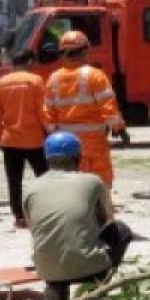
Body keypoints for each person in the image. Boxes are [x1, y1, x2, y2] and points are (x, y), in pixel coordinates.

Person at [23, 132, 133, 300]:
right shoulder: (92, 181)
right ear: (78, 157)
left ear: (47, 158)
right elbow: (106, 220)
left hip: (47, 267)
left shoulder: (31, 188)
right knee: (121, 230)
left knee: (51, 238)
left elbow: (32, 227)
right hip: (87, 264)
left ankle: (56, 289)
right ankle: (95, 286)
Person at [43, 31, 125, 188]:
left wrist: (54, 135)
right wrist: (120, 129)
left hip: (66, 144)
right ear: (85, 51)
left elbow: (48, 114)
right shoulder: (95, 76)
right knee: (99, 183)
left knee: (70, 184)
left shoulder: (53, 78)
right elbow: (108, 109)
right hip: (93, 141)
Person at [0, 50, 50, 228]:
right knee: (44, 177)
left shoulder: (0, 83)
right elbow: (43, 111)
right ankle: (45, 211)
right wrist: (50, 131)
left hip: (10, 140)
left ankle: (19, 216)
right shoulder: (36, 81)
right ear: (29, 61)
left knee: (14, 179)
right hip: (34, 139)